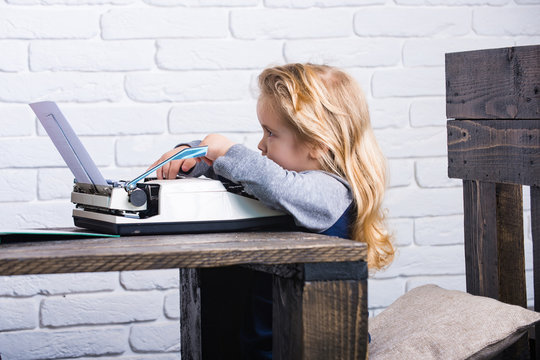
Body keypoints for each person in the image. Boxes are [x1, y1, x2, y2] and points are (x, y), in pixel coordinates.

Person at [148, 63, 394, 358]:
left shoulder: (329, 192)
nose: (260, 144)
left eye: (270, 133)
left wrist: (225, 150)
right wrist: (195, 155)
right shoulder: (284, 185)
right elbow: (250, 178)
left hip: (313, 348)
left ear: (316, 144)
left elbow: (274, 183)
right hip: (268, 343)